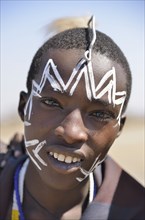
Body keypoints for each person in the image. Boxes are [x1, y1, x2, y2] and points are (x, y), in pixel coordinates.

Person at [0, 16, 144, 220]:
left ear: (119, 128)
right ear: (24, 108)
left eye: (100, 114)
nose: (71, 133)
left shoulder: (135, 210)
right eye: (52, 103)